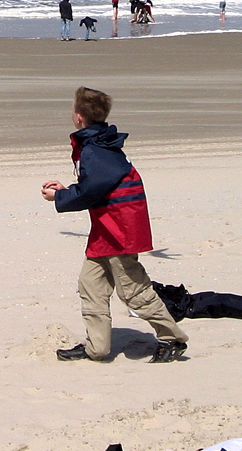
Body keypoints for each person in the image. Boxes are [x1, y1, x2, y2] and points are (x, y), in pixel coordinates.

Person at [43, 86, 188, 364]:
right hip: (107, 228)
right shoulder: (99, 143)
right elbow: (98, 185)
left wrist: (59, 197)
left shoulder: (95, 149)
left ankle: (173, 339)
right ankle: (96, 348)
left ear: (78, 116)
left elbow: (93, 190)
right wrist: (67, 190)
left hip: (120, 229)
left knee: (133, 290)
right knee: (91, 284)